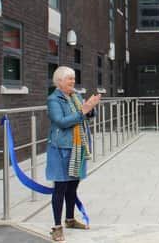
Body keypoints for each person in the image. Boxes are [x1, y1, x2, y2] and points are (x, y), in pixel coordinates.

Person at [46, 66, 101, 241]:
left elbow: (87, 115)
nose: (73, 81)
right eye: (69, 78)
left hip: (78, 148)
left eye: (73, 78)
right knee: (60, 188)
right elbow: (61, 122)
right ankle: (57, 227)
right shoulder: (54, 99)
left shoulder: (76, 96)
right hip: (61, 149)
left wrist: (91, 108)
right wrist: (83, 111)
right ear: (59, 81)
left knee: (72, 187)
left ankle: (70, 219)